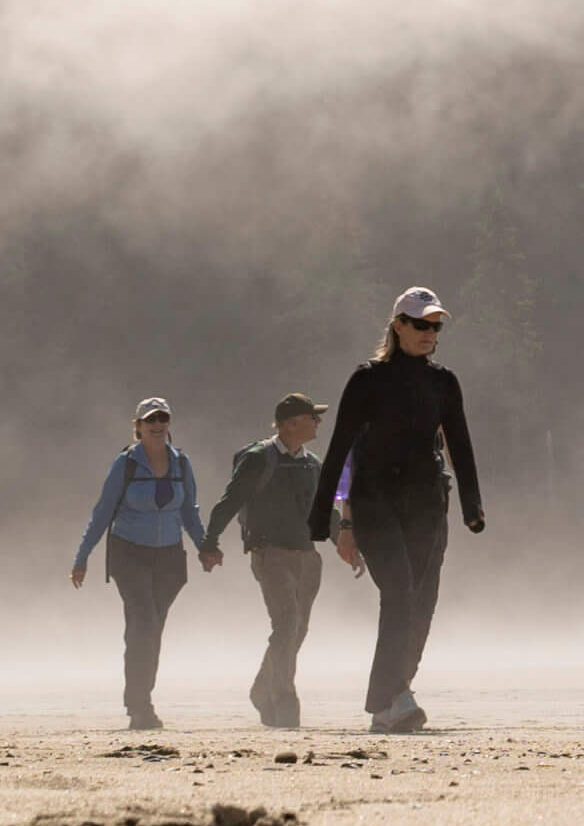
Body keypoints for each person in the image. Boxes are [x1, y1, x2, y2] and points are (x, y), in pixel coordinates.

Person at [307, 287, 484, 733]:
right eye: (421, 324)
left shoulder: (443, 382)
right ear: (398, 326)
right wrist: (322, 515)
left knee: (418, 601)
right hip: (375, 503)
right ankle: (391, 699)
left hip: (425, 503)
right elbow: (340, 445)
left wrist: (472, 505)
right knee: (399, 592)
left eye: (435, 326)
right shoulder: (367, 380)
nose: (429, 333)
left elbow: (460, 444)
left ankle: (390, 700)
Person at [70, 397, 222, 730]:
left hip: (168, 557)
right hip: (130, 554)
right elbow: (102, 512)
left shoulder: (181, 464)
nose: (157, 425)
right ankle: (140, 706)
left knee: (153, 629)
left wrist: (205, 547)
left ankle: (141, 700)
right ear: (137, 426)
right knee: (143, 623)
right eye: (150, 420)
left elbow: (189, 512)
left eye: (163, 419)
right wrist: (83, 557)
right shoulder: (125, 464)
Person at [203, 392, 329, 729]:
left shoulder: (311, 463)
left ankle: (262, 689)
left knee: (297, 628)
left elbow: (323, 511)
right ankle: (284, 699)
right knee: (286, 624)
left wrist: (350, 542)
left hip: (307, 555)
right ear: (289, 424)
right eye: (311, 417)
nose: (318, 422)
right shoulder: (260, 458)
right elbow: (230, 500)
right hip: (269, 553)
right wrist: (210, 541)